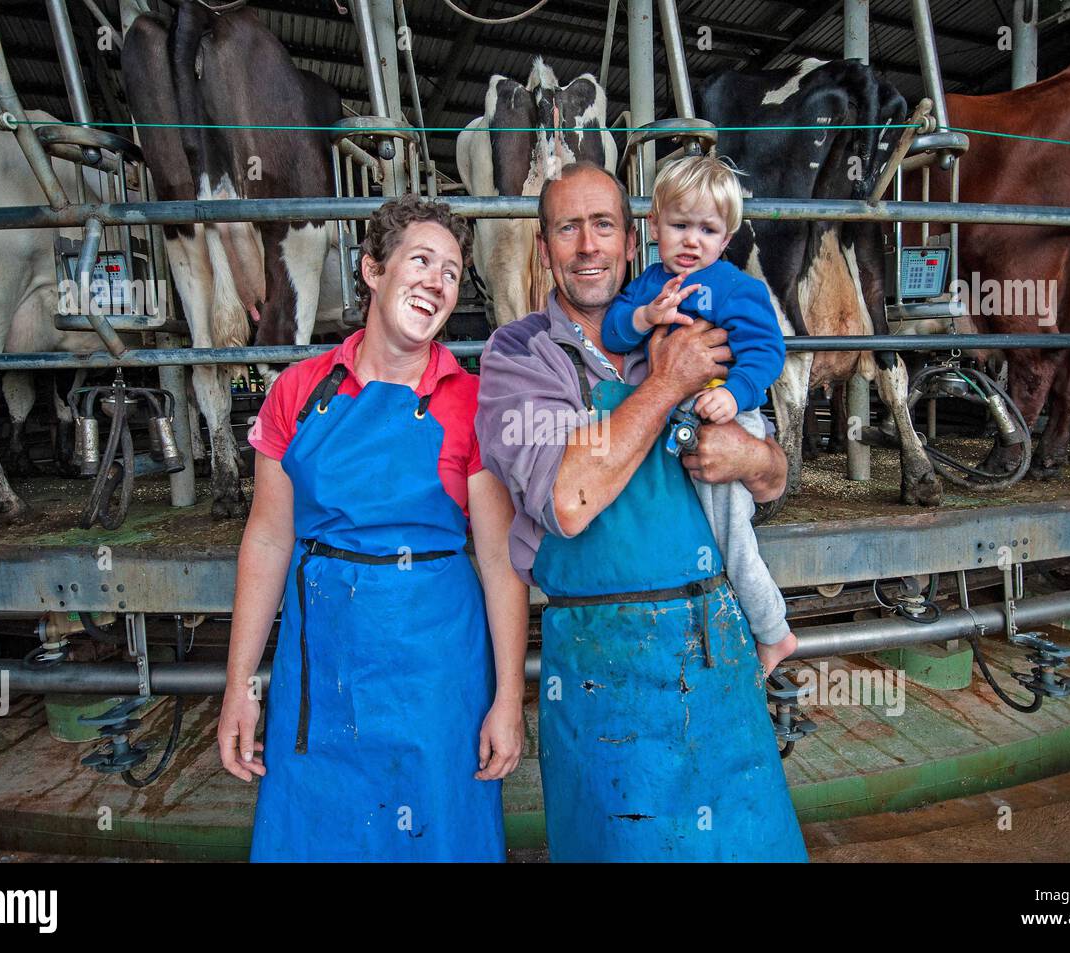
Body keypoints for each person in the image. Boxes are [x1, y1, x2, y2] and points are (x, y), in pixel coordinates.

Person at [476, 161, 808, 862]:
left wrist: (748, 458)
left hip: (716, 645)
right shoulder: (519, 355)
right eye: (568, 228)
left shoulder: (691, 315)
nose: (588, 245)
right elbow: (570, 499)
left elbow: (774, 477)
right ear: (544, 248)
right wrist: (667, 383)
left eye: (604, 226)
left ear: (632, 242)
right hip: (604, 668)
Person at [219, 194, 529, 862]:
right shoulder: (298, 391)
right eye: (420, 260)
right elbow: (269, 540)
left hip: (436, 675)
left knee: (437, 834)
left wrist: (508, 697)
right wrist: (241, 686)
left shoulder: (469, 401)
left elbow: (500, 560)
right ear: (371, 271)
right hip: (322, 668)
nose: (436, 282)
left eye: (450, 271)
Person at [600, 153, 796, 669]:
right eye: (679, 225)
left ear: (726, 238)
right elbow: (613, 330)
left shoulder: (738, 288)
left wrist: (736, 393)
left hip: (726, 418)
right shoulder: (646, 285)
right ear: (654, 225)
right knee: (698, 528)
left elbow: (765, 351)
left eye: (707, 230)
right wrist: (647, 315)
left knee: (731, 534)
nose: (692, 241)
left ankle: (773, 630)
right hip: (680, 422)